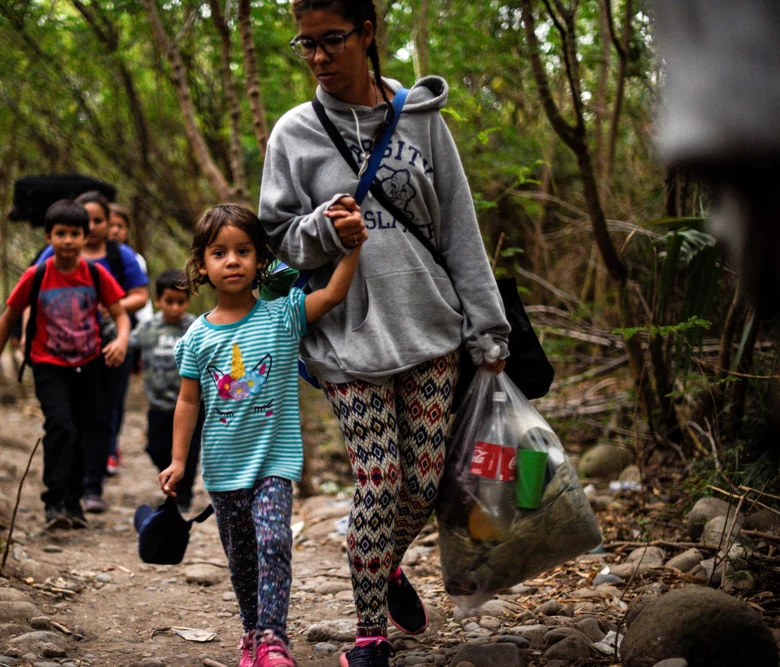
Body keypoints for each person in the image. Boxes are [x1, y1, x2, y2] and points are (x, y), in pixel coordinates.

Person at [257, 2, 510, 665]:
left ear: (368, 34)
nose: (316, 57)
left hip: (432, 330)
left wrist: (490, 329)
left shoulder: (422, 121)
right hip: (347, 337)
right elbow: (278, 234)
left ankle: (384, 564)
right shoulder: (293, 133)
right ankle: (370, 638)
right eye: (304, 44)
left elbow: (459, 227)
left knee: (421, 487)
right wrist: (322, 228)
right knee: (378, 481)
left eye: (331, 40)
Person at [159, 204, 364, 667]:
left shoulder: (281, 314)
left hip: (274, 460)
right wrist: (177, 461)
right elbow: (188, 402)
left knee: (273, 541)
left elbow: (331, 295)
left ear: (259, 259)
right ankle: (251, 631)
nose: (232, 261)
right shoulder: (196, 338)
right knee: (241, 558)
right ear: (202, 266)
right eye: (219, 252)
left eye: (243, 250)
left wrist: (351, 249)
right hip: (223, 468)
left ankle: (274, 638)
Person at [0, 199, 131, 530]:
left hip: (89, 363)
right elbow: (8, 319)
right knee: (60, 425)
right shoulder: (37, 275)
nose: (67, 241)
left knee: (85, 431)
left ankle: (74, 501)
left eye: (74, 233)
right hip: (49, 364)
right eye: (60, 233)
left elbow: (120, 314)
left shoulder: (95, 273)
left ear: (85, 236)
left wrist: (120, 341)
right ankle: (55, 500)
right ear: (48, 237)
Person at [35, 191, 149, 511]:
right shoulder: (51, 255)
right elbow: (32, 293)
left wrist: (109, 308)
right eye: (89, 220)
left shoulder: (120, 256)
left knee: (103, 415)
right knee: (68, 419)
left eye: (99, 220)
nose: (95, 226)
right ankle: (66, 489)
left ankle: (92, 486)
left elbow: (140, 296)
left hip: (112, 345)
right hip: (64, 350)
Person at [130, 268, 202, 513]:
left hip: (192, 405)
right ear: (158, 300)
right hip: (159, 405)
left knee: (189, 453)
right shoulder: (147, 328)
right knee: (156, 448)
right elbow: (128, 343)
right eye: (169, 302)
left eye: (180, 302)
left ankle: (184, 496)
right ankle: (172, 477)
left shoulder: (196, 327)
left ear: (188, 301)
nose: (174, 308)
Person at [102, 202, 152, 475]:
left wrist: (143, 345)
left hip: (125, 336)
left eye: (121, 226)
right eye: (111, 225)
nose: (115, 231)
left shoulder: (133, 259)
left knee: (115, 397)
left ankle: (111, 449)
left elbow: (144, 305)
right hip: (88, 338)